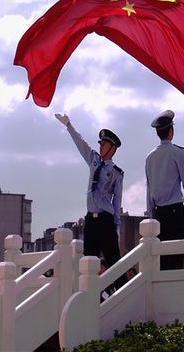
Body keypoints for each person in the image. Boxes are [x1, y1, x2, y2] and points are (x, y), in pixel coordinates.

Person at [56, 113, 126, 288]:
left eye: (104, 144)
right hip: (91, 221)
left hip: (106, 221)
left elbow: (117, 202)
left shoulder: (117, 173)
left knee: (114, 262)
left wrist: (117, 227)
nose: (101, 146)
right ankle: (91, 298)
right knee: (88, 263)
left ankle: (123, 293)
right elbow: (81, 145)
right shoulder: (94, 160)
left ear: (113, 148)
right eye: (100, 144)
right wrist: (69, 125)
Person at [145, 110, 184, 270]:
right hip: (175, 212)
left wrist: (151, 215)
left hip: (158, 213)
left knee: (161, 261)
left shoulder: (150, 157)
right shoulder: (177, 152)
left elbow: (149, 190)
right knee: (175, 257)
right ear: (171, 131)